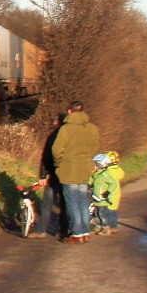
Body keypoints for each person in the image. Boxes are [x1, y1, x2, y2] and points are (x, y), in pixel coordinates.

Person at [52, 100, 101, 243]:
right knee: (83, 201)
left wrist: (59, 163)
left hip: (69, 169)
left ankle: (77, 233)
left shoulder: (66, 129)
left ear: (69, 112)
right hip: (85, 168)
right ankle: (85, 232)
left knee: (72, 202)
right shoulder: (92, 128)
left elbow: (56, 150)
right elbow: (96, 146)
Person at [28, 114, 67, 239]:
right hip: (67, 175)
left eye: (55, 120)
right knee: (65, 204)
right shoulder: (71, 136)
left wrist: (43, 176)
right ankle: (63, 230)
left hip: (54, 175)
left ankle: (41, 230)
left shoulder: (53, 137)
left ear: (58, 122)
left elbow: (46, 157)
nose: (54, 122)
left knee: (46, 203)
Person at [88, 153, 121, 235]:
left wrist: (107, 193)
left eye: (96, 164)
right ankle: (98, 226)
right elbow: (90, 182)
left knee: (103, 214)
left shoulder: (105, 175)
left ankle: (106, 228)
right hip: (96, 198)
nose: (94, 166)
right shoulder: (96, 174)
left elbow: (113, 184)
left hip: (103, 199)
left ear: (101, 164)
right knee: (97, 213)